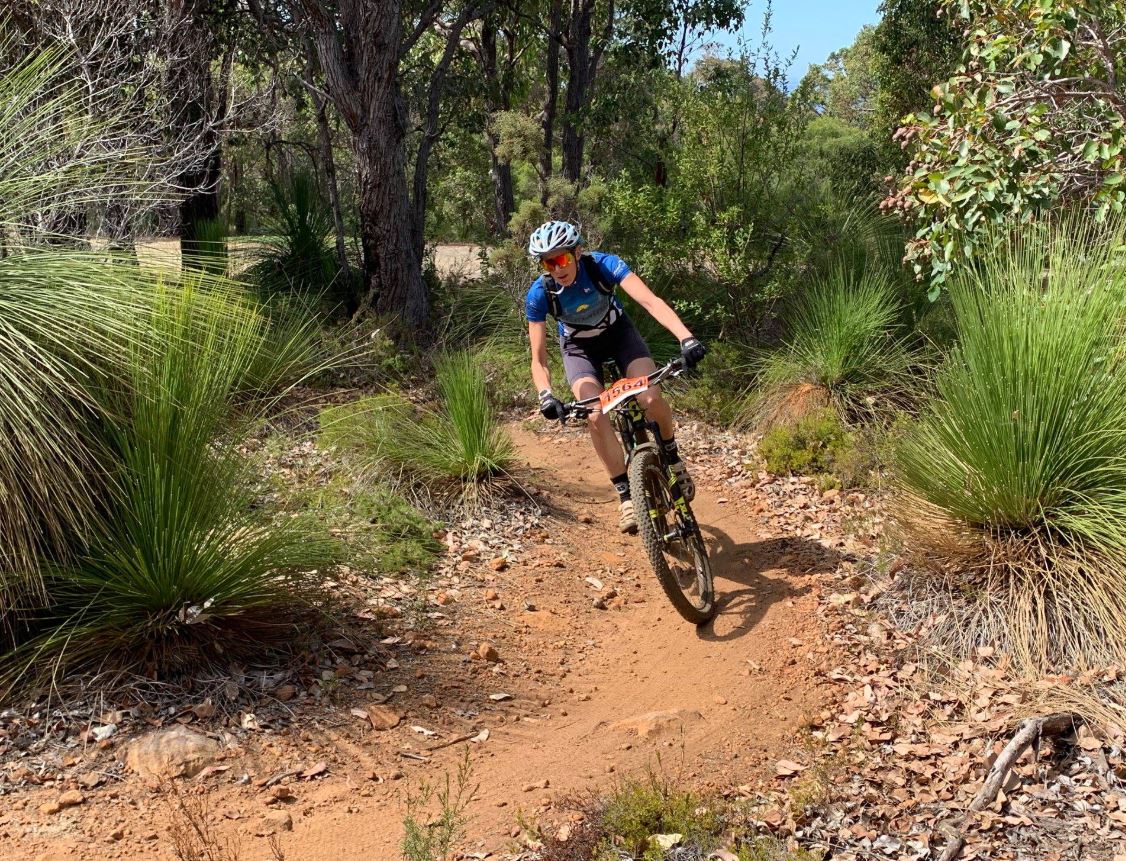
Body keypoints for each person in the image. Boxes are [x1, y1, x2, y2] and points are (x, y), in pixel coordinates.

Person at [524, 219, 707, 534]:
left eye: (562, 258)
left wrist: (685, 337)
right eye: (547, 262)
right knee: (593, 414)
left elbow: (650, 301)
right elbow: (538, 359)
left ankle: (672, 456)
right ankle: (625, 495)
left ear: (578, 252)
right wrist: (545, 394)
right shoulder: (541, 293)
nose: (556, 268)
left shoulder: (604, 265)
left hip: (620, 336)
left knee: (649, 395)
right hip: (579, 349)